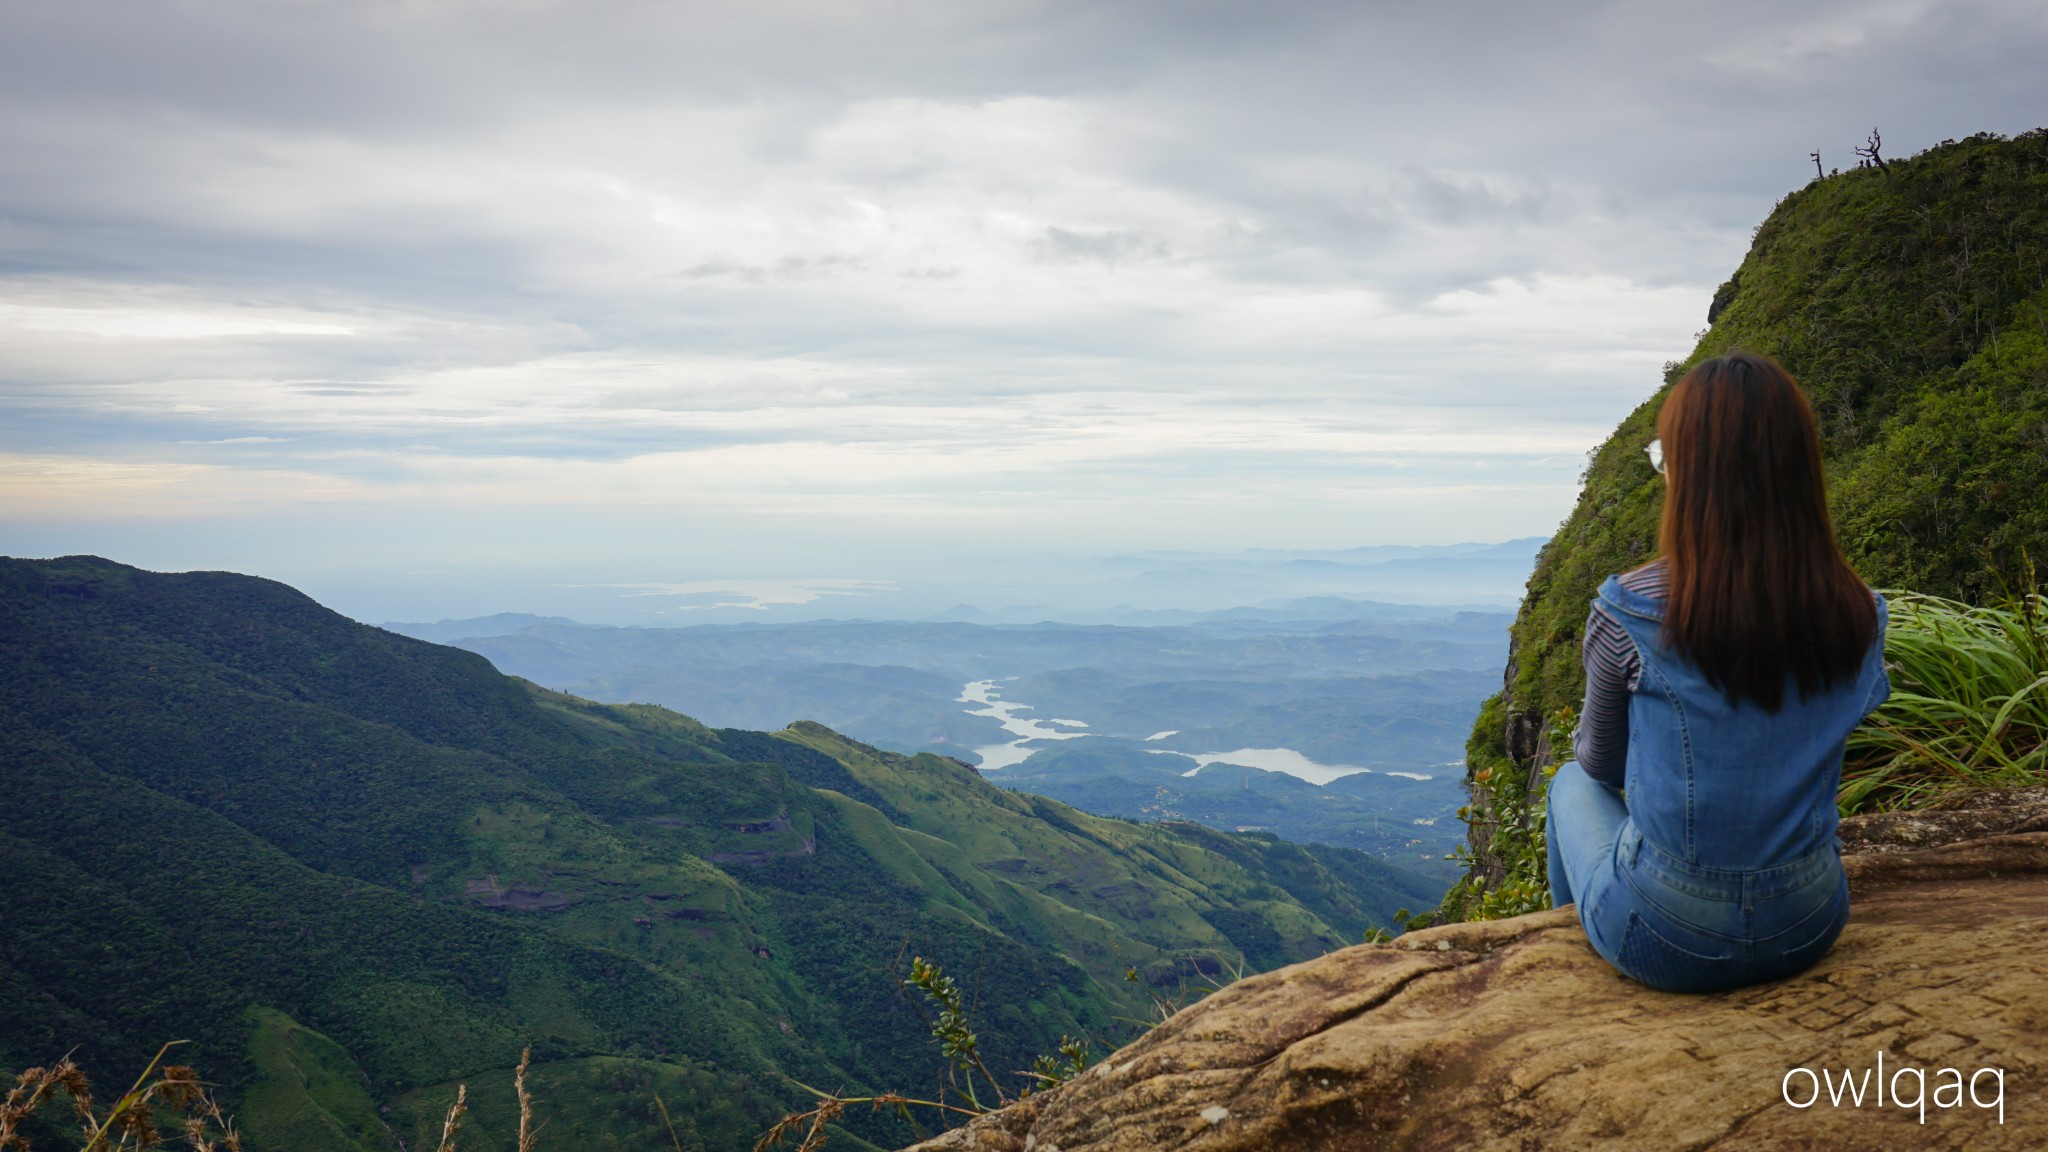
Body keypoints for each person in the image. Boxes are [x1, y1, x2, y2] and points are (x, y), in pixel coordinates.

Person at [1544, 351, 1891, 994]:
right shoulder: (1859, 612)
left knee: (1568, 782)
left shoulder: (1629, 609)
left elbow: (1601, 766)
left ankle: (1566, 968)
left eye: (1664, 459)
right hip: (1810, 918)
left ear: (1690, 475)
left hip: (1666, 929)